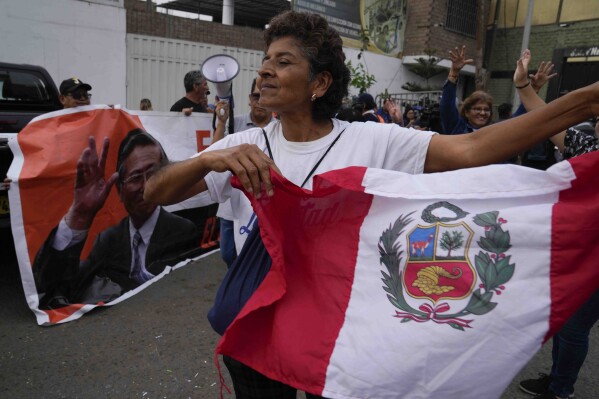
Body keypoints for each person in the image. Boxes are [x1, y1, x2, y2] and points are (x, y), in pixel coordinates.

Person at [143, 11, 599, 399]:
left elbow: (471, 150)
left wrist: (586, 102)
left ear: (319, 82)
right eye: (264, 61)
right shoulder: (243, 143)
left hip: (344, 337)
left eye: (283, 62)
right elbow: (154, 193)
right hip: (260, 332)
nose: (263, 72)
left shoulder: (372, 139)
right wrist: (210, 159)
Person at [32, 129, 200, 310]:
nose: (146, 187)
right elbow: (57, 286)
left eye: (153, 175)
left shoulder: (183, 230)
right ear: (119, 191)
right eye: (135, 178)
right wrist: (79, 215)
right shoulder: (108, 240)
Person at [513, 49, 599, 399]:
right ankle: (556, 379)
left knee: (576, 326)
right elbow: (544, 117)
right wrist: (521, 84)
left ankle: (561, 390)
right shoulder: (585, 147)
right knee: (564, 322)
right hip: (577, 253)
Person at [217, 78, 274, 267]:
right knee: (228, 253)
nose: (259, 102)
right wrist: (220, 123)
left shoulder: (280, 127)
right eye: (255, 96)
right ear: (250, 99)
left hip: (264, 202)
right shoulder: (235, 122)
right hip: (231, 202)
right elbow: (214, 152)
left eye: (263, 96)